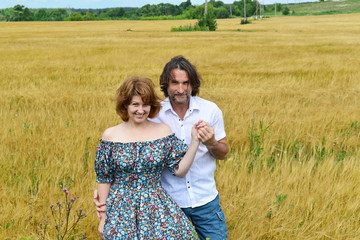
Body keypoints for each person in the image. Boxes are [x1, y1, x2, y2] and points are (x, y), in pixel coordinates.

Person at [95, 56, 229, 240]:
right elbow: (105, 174)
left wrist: (202, 141)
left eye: (145, 105)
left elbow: (182, 167)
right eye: (135, 104)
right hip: (140, 206)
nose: (141, 110)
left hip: (184, 204)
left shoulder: (205, 112)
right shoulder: (125, 128)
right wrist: (104, 208)